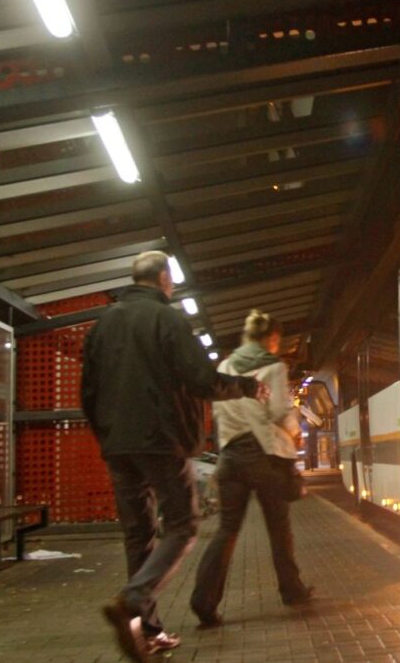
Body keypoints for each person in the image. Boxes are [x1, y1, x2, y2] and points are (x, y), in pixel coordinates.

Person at [81, 250, 265, 663]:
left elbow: (88, 390)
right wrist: (247, 387)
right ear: (164, 278)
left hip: (118, 444)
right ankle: (135, 596)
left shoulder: (102, 324)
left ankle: (146, 630)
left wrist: (106, 434)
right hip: (161, 439)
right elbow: (201, 380)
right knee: (183, 524)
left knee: (138, 534)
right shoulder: (167, 319)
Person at [191, 310, 313, 627]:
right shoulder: (274, 366)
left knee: (227, 529)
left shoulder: (225, 367)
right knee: (278, 528)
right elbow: (278, 411)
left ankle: (204, 601)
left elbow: (219, 411)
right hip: (265, 456)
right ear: (271, 338)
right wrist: (295, 430)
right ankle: (292, 590)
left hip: (231, 455)